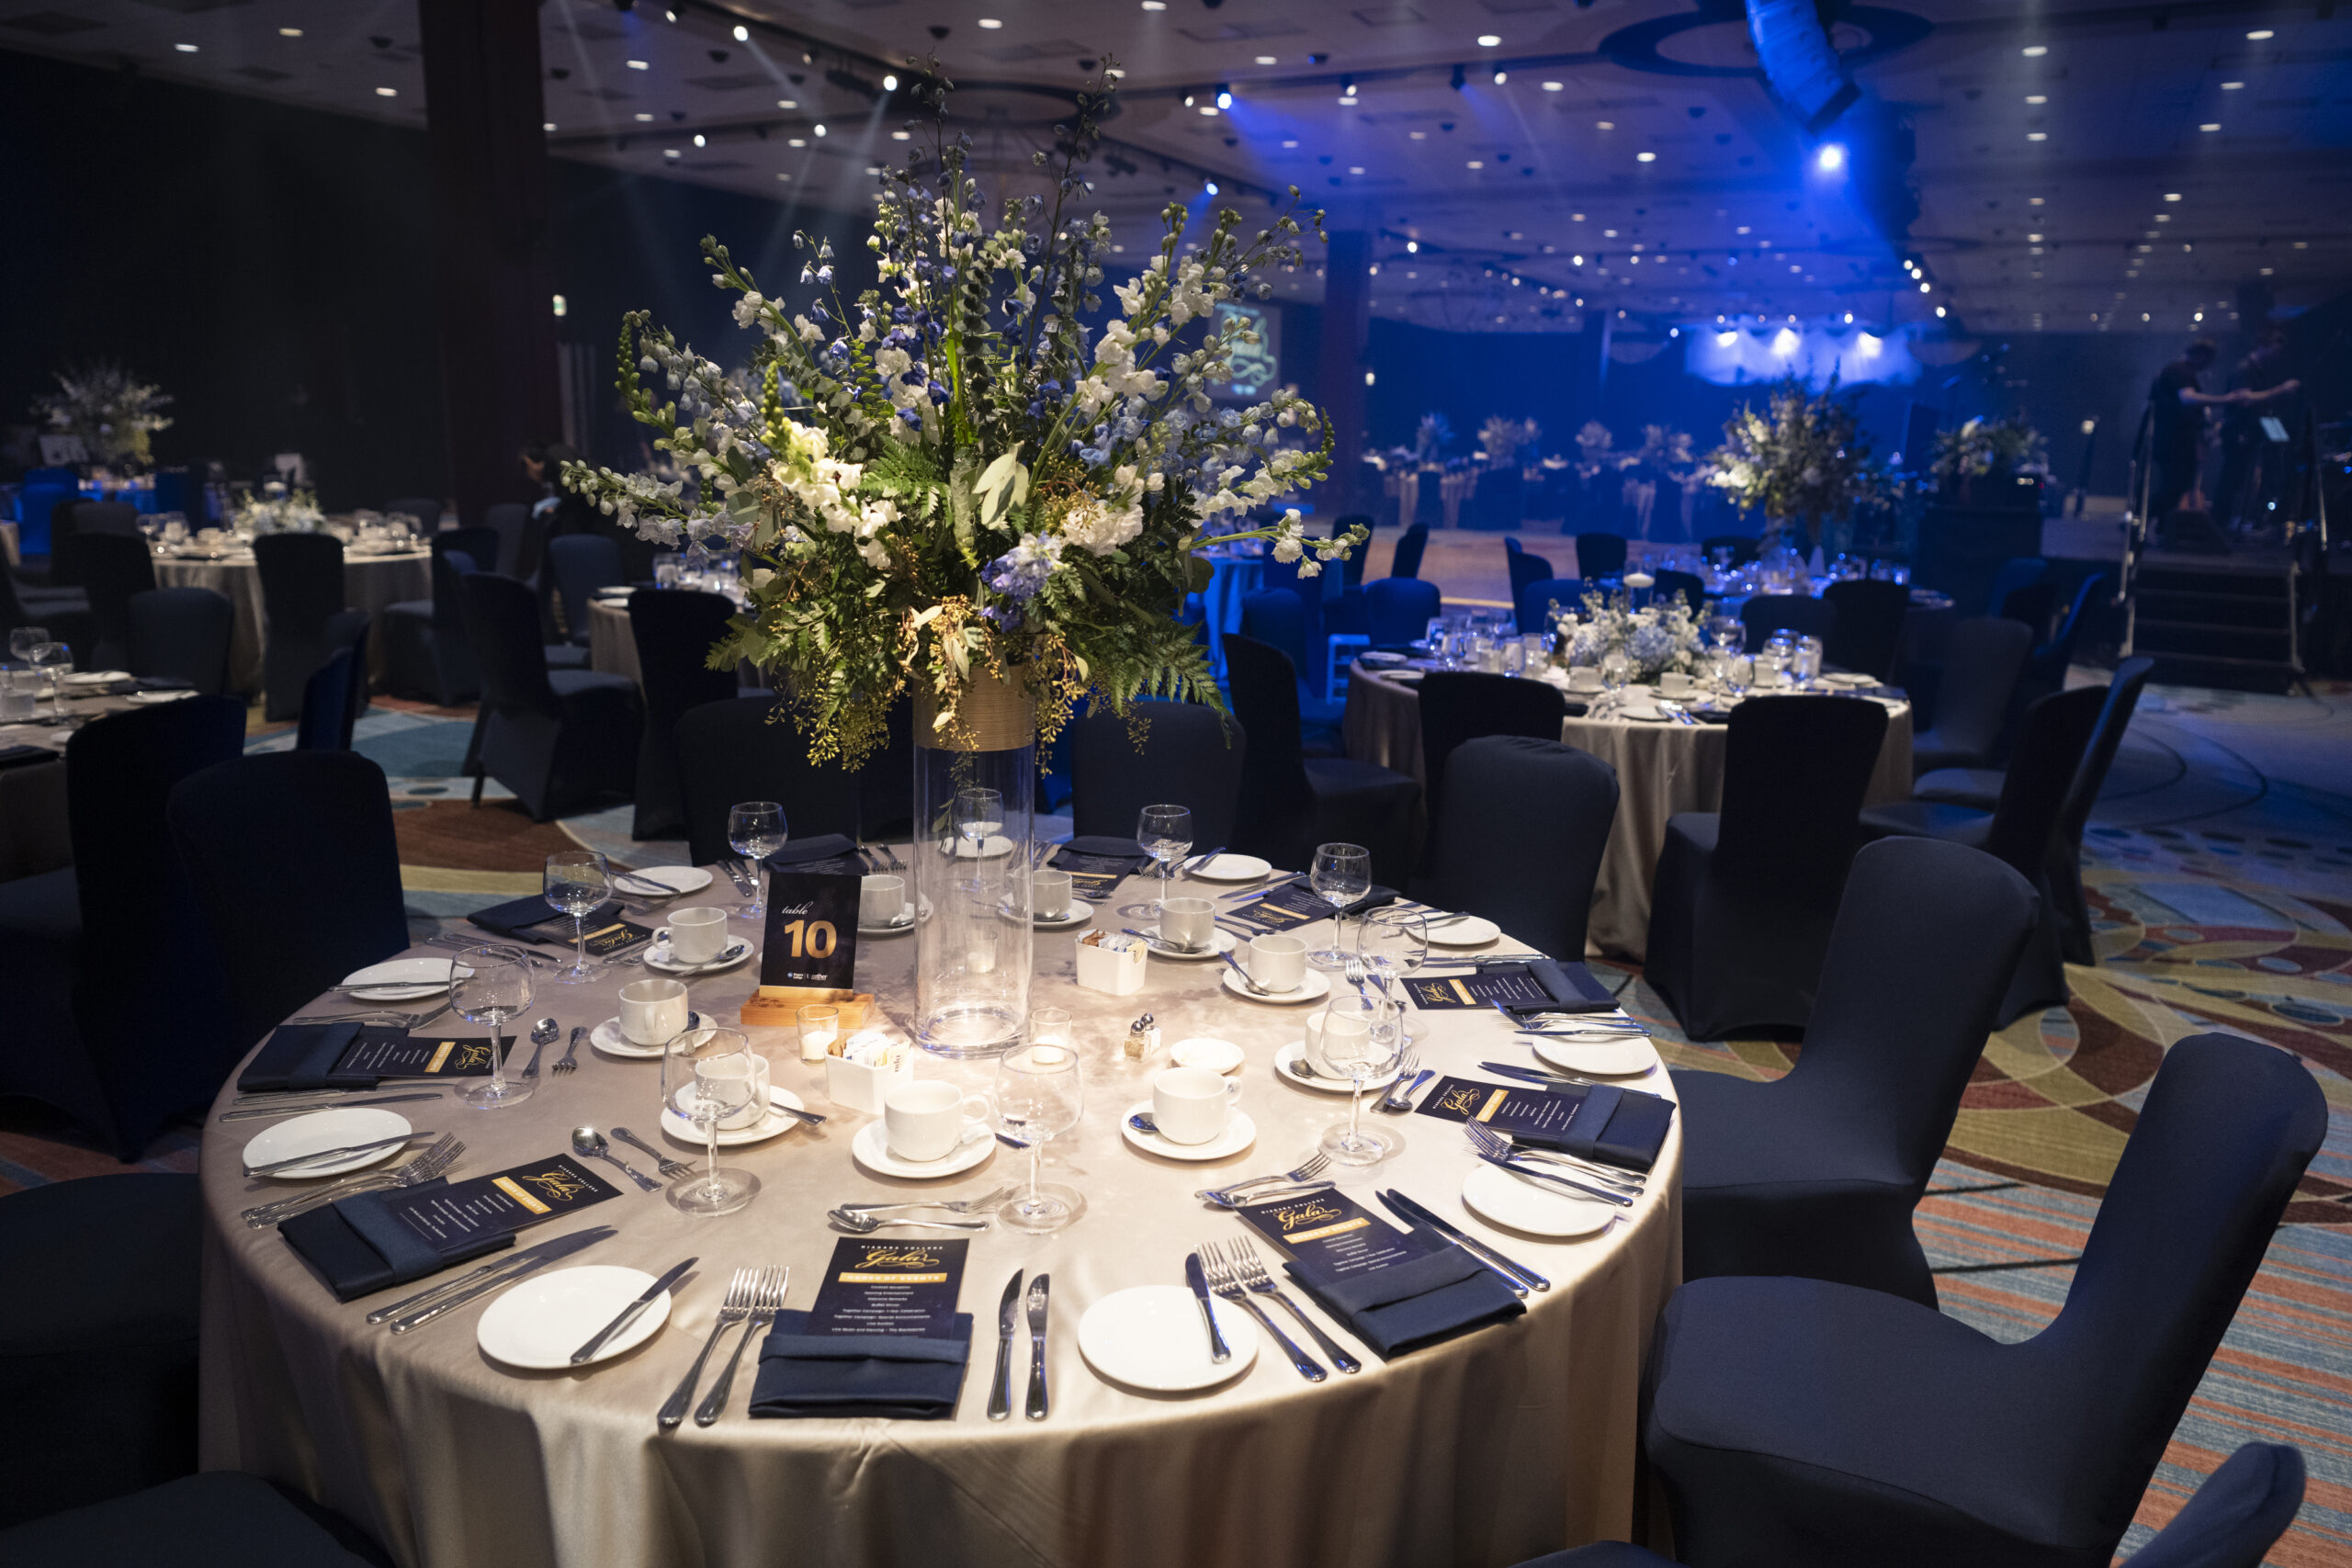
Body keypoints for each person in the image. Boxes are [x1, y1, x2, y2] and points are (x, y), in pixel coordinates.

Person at [2145, 340, 2295, 553]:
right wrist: (2227, 399)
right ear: (2199, 355)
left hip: (2180, 438)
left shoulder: (2185, 373)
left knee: (2179, 484)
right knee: (2176, 484)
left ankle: (2157, 527)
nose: (2208, 365)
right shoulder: (2178, 371)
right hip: (2173, 439)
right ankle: (2146, 523)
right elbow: (2188, 399)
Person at [2213, 332, 2302, 537]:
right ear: (2263, 344)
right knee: (2232, 479)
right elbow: (2243, 399)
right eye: (2275, 350)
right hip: (2238, 432)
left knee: (2238, 480)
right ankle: (2218, 524)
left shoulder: (2259, 371)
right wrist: (2281, 390)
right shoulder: (2245, 369)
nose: (2277, 355)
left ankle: (2229, 523)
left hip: (2249, 432)